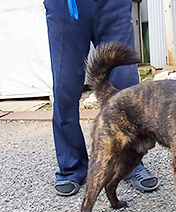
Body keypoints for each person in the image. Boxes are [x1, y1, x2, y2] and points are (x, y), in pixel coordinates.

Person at [44, 0, 158, 196]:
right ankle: (71, 167)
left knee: (125, 82)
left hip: (112, 4)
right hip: (66, 6)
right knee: (65, 86)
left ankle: (130, 162)